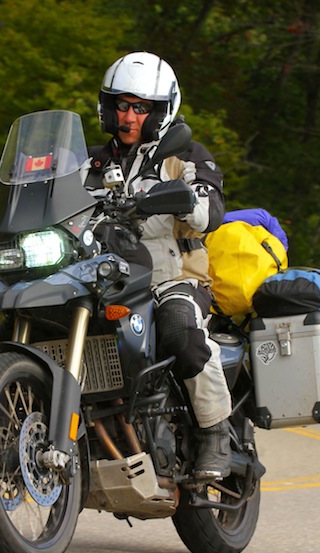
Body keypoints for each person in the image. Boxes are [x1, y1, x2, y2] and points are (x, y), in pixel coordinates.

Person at [83, 52, 232, 480]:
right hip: (104, 278)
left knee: (178, 329)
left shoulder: (183, 156)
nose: (128, 116)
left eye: (140, 108)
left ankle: (213, 433)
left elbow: (209, 211)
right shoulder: (87, 162)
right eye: (121, 105)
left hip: (173, 278)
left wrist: (187, 197)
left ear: (160, 111)